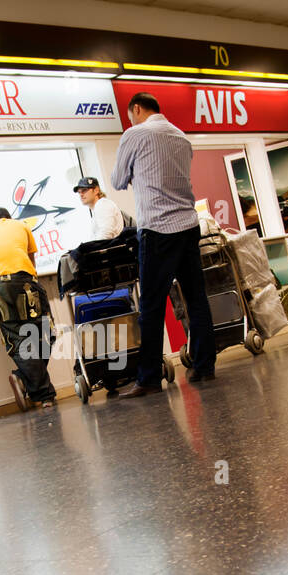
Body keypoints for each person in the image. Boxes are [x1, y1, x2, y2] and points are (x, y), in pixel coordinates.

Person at [110, 92, 216, 394]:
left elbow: (118, 180)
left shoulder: (135, 134)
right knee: (196, 298)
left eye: (131, 114)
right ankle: (204, 365)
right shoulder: (181, 137)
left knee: (152, 306)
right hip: (188, 225)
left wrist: (135, 174)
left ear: (137, 109)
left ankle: (148, 379)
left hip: (157, 230)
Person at [0, 206, 56, 411]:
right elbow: (31, 261)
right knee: (46, 332)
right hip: (25, 283)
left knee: (18, 340)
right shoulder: (21, 226)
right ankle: (43, 394)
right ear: (7, 218)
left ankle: (25, 380)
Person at [73, 176, 124, 240]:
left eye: (84, 190)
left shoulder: (102, 204)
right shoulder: (98, 207)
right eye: (79, 192)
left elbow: (106, 234)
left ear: (96, 190)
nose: (81, 194)